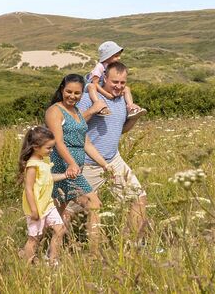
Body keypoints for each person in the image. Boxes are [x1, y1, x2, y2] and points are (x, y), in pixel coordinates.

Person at [73, 61, 148, 241]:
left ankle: (134, 245)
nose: (118, 86)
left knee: (139, 198)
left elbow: (119, 129)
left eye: (122, 83)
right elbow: (72, 124)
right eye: (115, 82)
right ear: (105, 78)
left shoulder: (122, 99)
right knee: (91, 208)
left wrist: (135, 118)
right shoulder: (88, 98)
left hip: (113, 160)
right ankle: (92, 255)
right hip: (87, 164)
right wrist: (93, 109)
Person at [45, 74, 110, 252]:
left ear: (82, 94)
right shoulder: (55, 111)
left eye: (77, 93)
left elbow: (86, 143)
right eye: (68, 92)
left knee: (57, 215)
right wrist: (72, 164)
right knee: (94, 203)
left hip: (74, 169)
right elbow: (58, 142)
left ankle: (49, 255)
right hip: (63, 166)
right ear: (61, 90)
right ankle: (95, 253)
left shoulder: (77, 113)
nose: (72, 96)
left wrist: (104, 164)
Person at [18, 126, 67, 265]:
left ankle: (53, 261)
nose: (51, 151)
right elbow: (28, 188)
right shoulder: (32, 165)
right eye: (48, 148)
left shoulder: (43, 161)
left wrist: (64, 175)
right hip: (37, 206)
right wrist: (33, 209)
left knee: (60, 229)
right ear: (35, 147)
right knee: (35, 238)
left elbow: (48, 178)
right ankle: (27, 265)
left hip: (48, 204)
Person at [86, 40, 146, 119]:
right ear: (107, 56)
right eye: (116, 56)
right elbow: (95, 83)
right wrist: (106, 94)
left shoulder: (110, 66)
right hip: (92, 87)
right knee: (91, 86)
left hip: (102, 86)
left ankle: (130, 107)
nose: (119, 58)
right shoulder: (99, 67)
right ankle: (98, 105)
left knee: (126, 88)